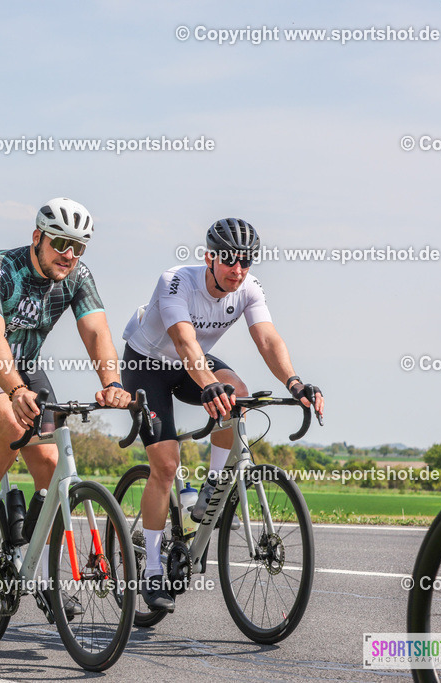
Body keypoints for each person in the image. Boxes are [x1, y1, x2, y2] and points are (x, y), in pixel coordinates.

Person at [121, 218, 323, 612]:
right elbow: (183, 339)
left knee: (240, 396)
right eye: (229, 259)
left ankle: (214, 485)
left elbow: (267, 339)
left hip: (194, 363)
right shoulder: (176, 281)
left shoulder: (248, 287)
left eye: (247, 261)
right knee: (165, 465)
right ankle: (151, 570)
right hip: (149, 363)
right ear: (210, 257)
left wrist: (295, 384)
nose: (238, 269)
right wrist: (208, 381)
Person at [0, 197, 132, 616]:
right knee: (12, 424)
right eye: (60, 243)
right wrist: (12, 390)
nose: (69, 254)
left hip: (25, 363)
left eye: (78, 247)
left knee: (49, 462)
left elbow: (97, 331)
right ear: (37, 238)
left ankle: (39, 574)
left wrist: (112, 383)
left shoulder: (77, 276)